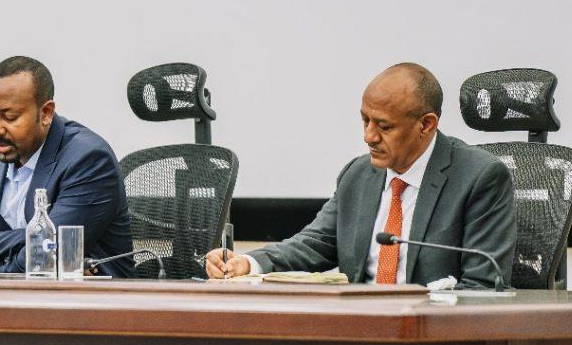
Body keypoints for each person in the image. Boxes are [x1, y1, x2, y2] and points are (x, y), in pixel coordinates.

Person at [206, 63, 515, 289]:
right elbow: (316, 243)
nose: (369, 136)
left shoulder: (479, 177)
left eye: (384, 126)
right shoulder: (358, 174)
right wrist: (248, 262)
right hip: (361, 328)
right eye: (365, 120)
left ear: (426, 124)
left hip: (429, 335)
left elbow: (482, 286)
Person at [0, 56, 134, 276]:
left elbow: (41, 260)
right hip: (4, 295)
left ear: (46, 113)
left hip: (89, 296)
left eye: (10, 117)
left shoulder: (88, 160)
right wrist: (33, 238)